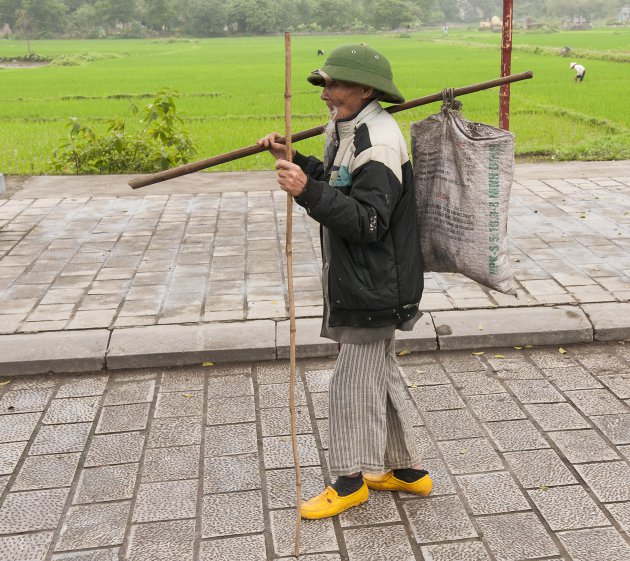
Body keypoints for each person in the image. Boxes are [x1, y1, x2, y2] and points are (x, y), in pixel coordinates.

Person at [258, 44, 432, 519]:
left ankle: (350, 479)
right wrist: (296, 160)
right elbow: (340, 183)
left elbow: (369, 222)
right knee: (379, 374)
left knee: (350, 383)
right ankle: (404, 470)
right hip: (368, 280)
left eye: (334, 85)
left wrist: (306, 192)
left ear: (365, 89)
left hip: (376, 285)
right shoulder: (349, 129)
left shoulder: (377, 142)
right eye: (324, 85)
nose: (325, 94)